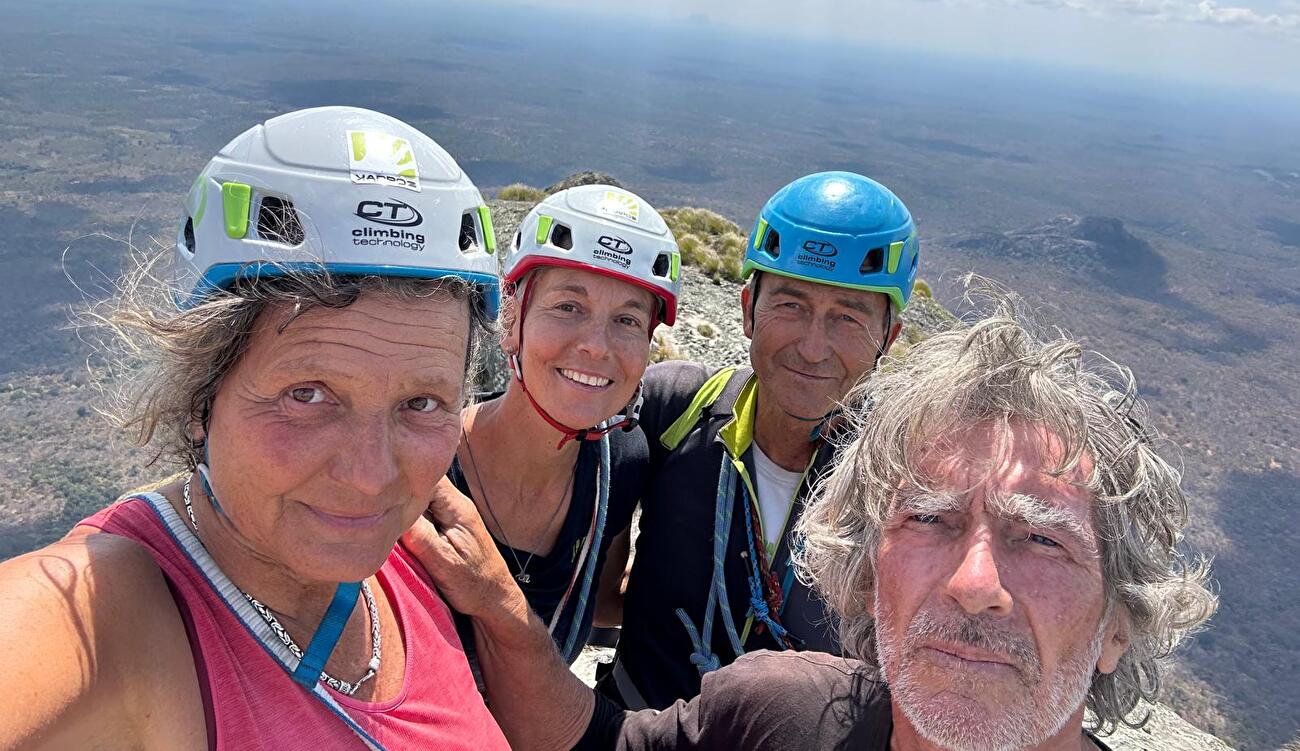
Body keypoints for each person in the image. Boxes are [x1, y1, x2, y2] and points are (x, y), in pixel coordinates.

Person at [408, 298, 1219, 751]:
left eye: (1040, 535)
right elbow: (585, 744)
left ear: (1120, 623)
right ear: (868, 579)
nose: (977, 586)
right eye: (931, 519)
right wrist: (499, 603)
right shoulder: (783, 713)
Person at [0, 106, 510, 750]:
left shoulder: (421, 551)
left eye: (422, 403)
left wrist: (503, 611)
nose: (371, 476)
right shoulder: (118, 613)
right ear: (199, 395)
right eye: (308, 394)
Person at [600, 170, 919, 709]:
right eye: (791, 306)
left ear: (888, 338)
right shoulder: (671, 411)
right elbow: (592, 591)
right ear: (748, 309)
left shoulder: (908, 479)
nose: (813, 348)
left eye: (847, 316)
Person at [450, 184, 681, 662]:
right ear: (512, 317)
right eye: (568, 307)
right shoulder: (421, 464)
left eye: (628, 320)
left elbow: (600, 602)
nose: (597, 346)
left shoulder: (621, 464)